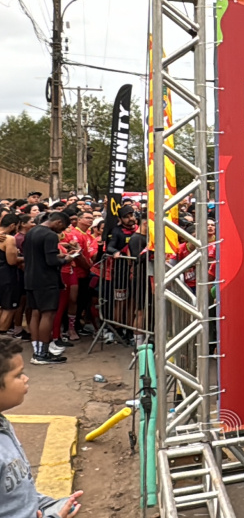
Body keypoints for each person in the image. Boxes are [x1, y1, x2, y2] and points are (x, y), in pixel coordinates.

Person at [0, 334, 85, 516]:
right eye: (18, 375)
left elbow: (17, 495)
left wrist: (49, 505)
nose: (26, 379)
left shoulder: (3, 425)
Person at [22, 212, 76, 366]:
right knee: (48, 314)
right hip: (46, 280)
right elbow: (51, 261)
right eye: (62, 227)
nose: (62, 231)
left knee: (35, 313)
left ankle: (37, 351)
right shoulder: (50, 235)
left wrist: (61, 256)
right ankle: (43, 353)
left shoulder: (32, 231)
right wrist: (67, 259)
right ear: (58, 222)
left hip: (31, 278)